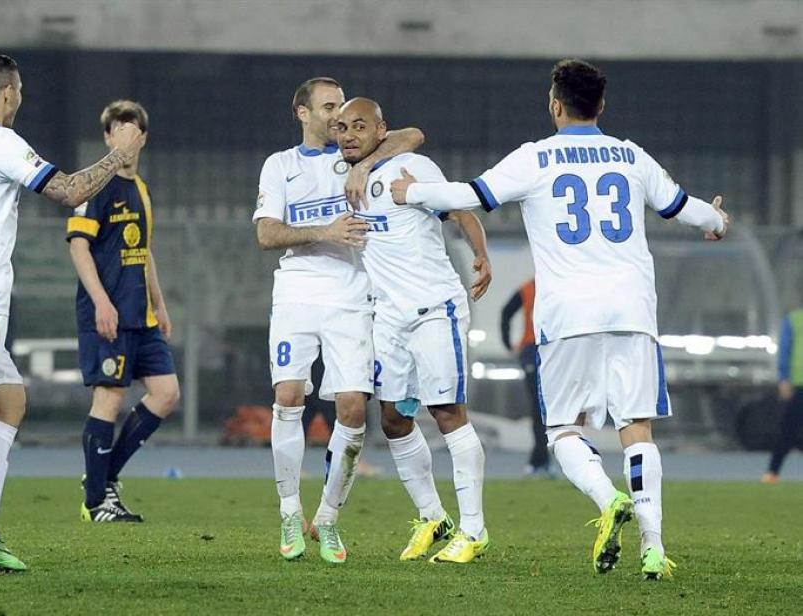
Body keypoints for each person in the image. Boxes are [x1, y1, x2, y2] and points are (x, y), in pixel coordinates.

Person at [391, 59, 729, 580]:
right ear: (602, 105)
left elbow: (468, 196)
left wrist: (410, 192)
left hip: (568, 314)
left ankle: (606, 498)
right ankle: (654, 548)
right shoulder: (629, 155)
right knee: (637, 429)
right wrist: (717, 220)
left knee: (564, 431)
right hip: (633, 310)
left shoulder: (536, 158)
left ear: (555, 104)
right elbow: (685, 208)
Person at [0, 52, 143, 576]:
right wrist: (117, 154)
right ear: (9, 92)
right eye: (20, 93)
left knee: (9, 402)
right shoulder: (0, 142)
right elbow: (69, 191)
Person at [254, 76, 424, 564]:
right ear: (302, 113)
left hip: (353, 297)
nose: (338, 117)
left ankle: (327, 518)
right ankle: (290, 510)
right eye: (328, 107)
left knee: (351, 408)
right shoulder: (280, 166)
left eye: (344, 109)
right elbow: (267, 234)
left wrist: (365, 163)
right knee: (289, 395)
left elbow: (413, 135)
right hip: (298, 292)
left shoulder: (355, 155)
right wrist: (325, 231)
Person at [336, 97, 491, 564]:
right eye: (342, 127)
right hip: (389, 317)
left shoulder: (412, 167)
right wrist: (360, 166)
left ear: (381, 129)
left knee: (446, 412)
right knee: (393, 419)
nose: (348, 135)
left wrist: (481, 255)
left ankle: (474, 529)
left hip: (433, 310)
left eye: (359, 126)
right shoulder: (341, 173)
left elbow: (461, 209)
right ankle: (431, 516)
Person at [67, 100, 180, 522]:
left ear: (142, 139)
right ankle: (98, 502)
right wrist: (100, 301)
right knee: (109, 399)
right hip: (109, 312)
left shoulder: (142, 189)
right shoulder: (94, 186)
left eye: (133, 133)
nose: (126, 140)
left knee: (167, 394)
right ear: (108, 138)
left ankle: (101, 478)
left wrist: (160, 303)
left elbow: (143, 250)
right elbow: (79, 247)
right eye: (118, 132)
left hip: (142, 315)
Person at [500, 278, 550, 476]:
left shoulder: (560, 284)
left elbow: (506, 313)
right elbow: (506, 312)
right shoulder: (529, 288)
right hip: (533, 349)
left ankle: (540, 459)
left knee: (547, 408)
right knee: (538, 408)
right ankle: (540, 458)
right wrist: (507, 343)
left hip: (552, 349)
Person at [762, 307, 803, 483]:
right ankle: (773, 472)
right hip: (799, 383)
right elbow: (785, 349)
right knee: (788, 430)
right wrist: (784, 378)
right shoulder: (794, 319)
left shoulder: (794, 319)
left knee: (788, 430)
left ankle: (772, 472)